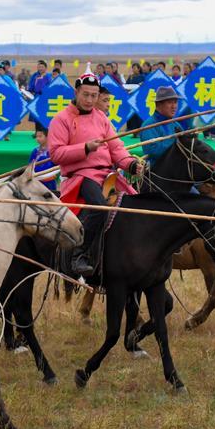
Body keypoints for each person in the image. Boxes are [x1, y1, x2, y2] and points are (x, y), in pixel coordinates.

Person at [49, 68, 143, 276]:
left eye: (94, 96)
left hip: (108, 175)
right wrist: (85, 148)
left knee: (136, 206)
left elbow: (116, 148)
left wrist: (130, 164)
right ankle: (79, 255)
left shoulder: (101, 118)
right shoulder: (61, 119)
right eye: (86, 95)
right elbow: (56, 153)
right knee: (100, 208)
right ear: (76, 93)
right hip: (81, 176)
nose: (90, 100)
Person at [139, 87, 185, 174]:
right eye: (169, 102)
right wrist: (176, 140)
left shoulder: (175, 124)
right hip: (157, 175)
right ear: (158, 105)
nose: (174, 106)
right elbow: (153, 151)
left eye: (175, 102)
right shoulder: (149, 125)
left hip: (177, 172)